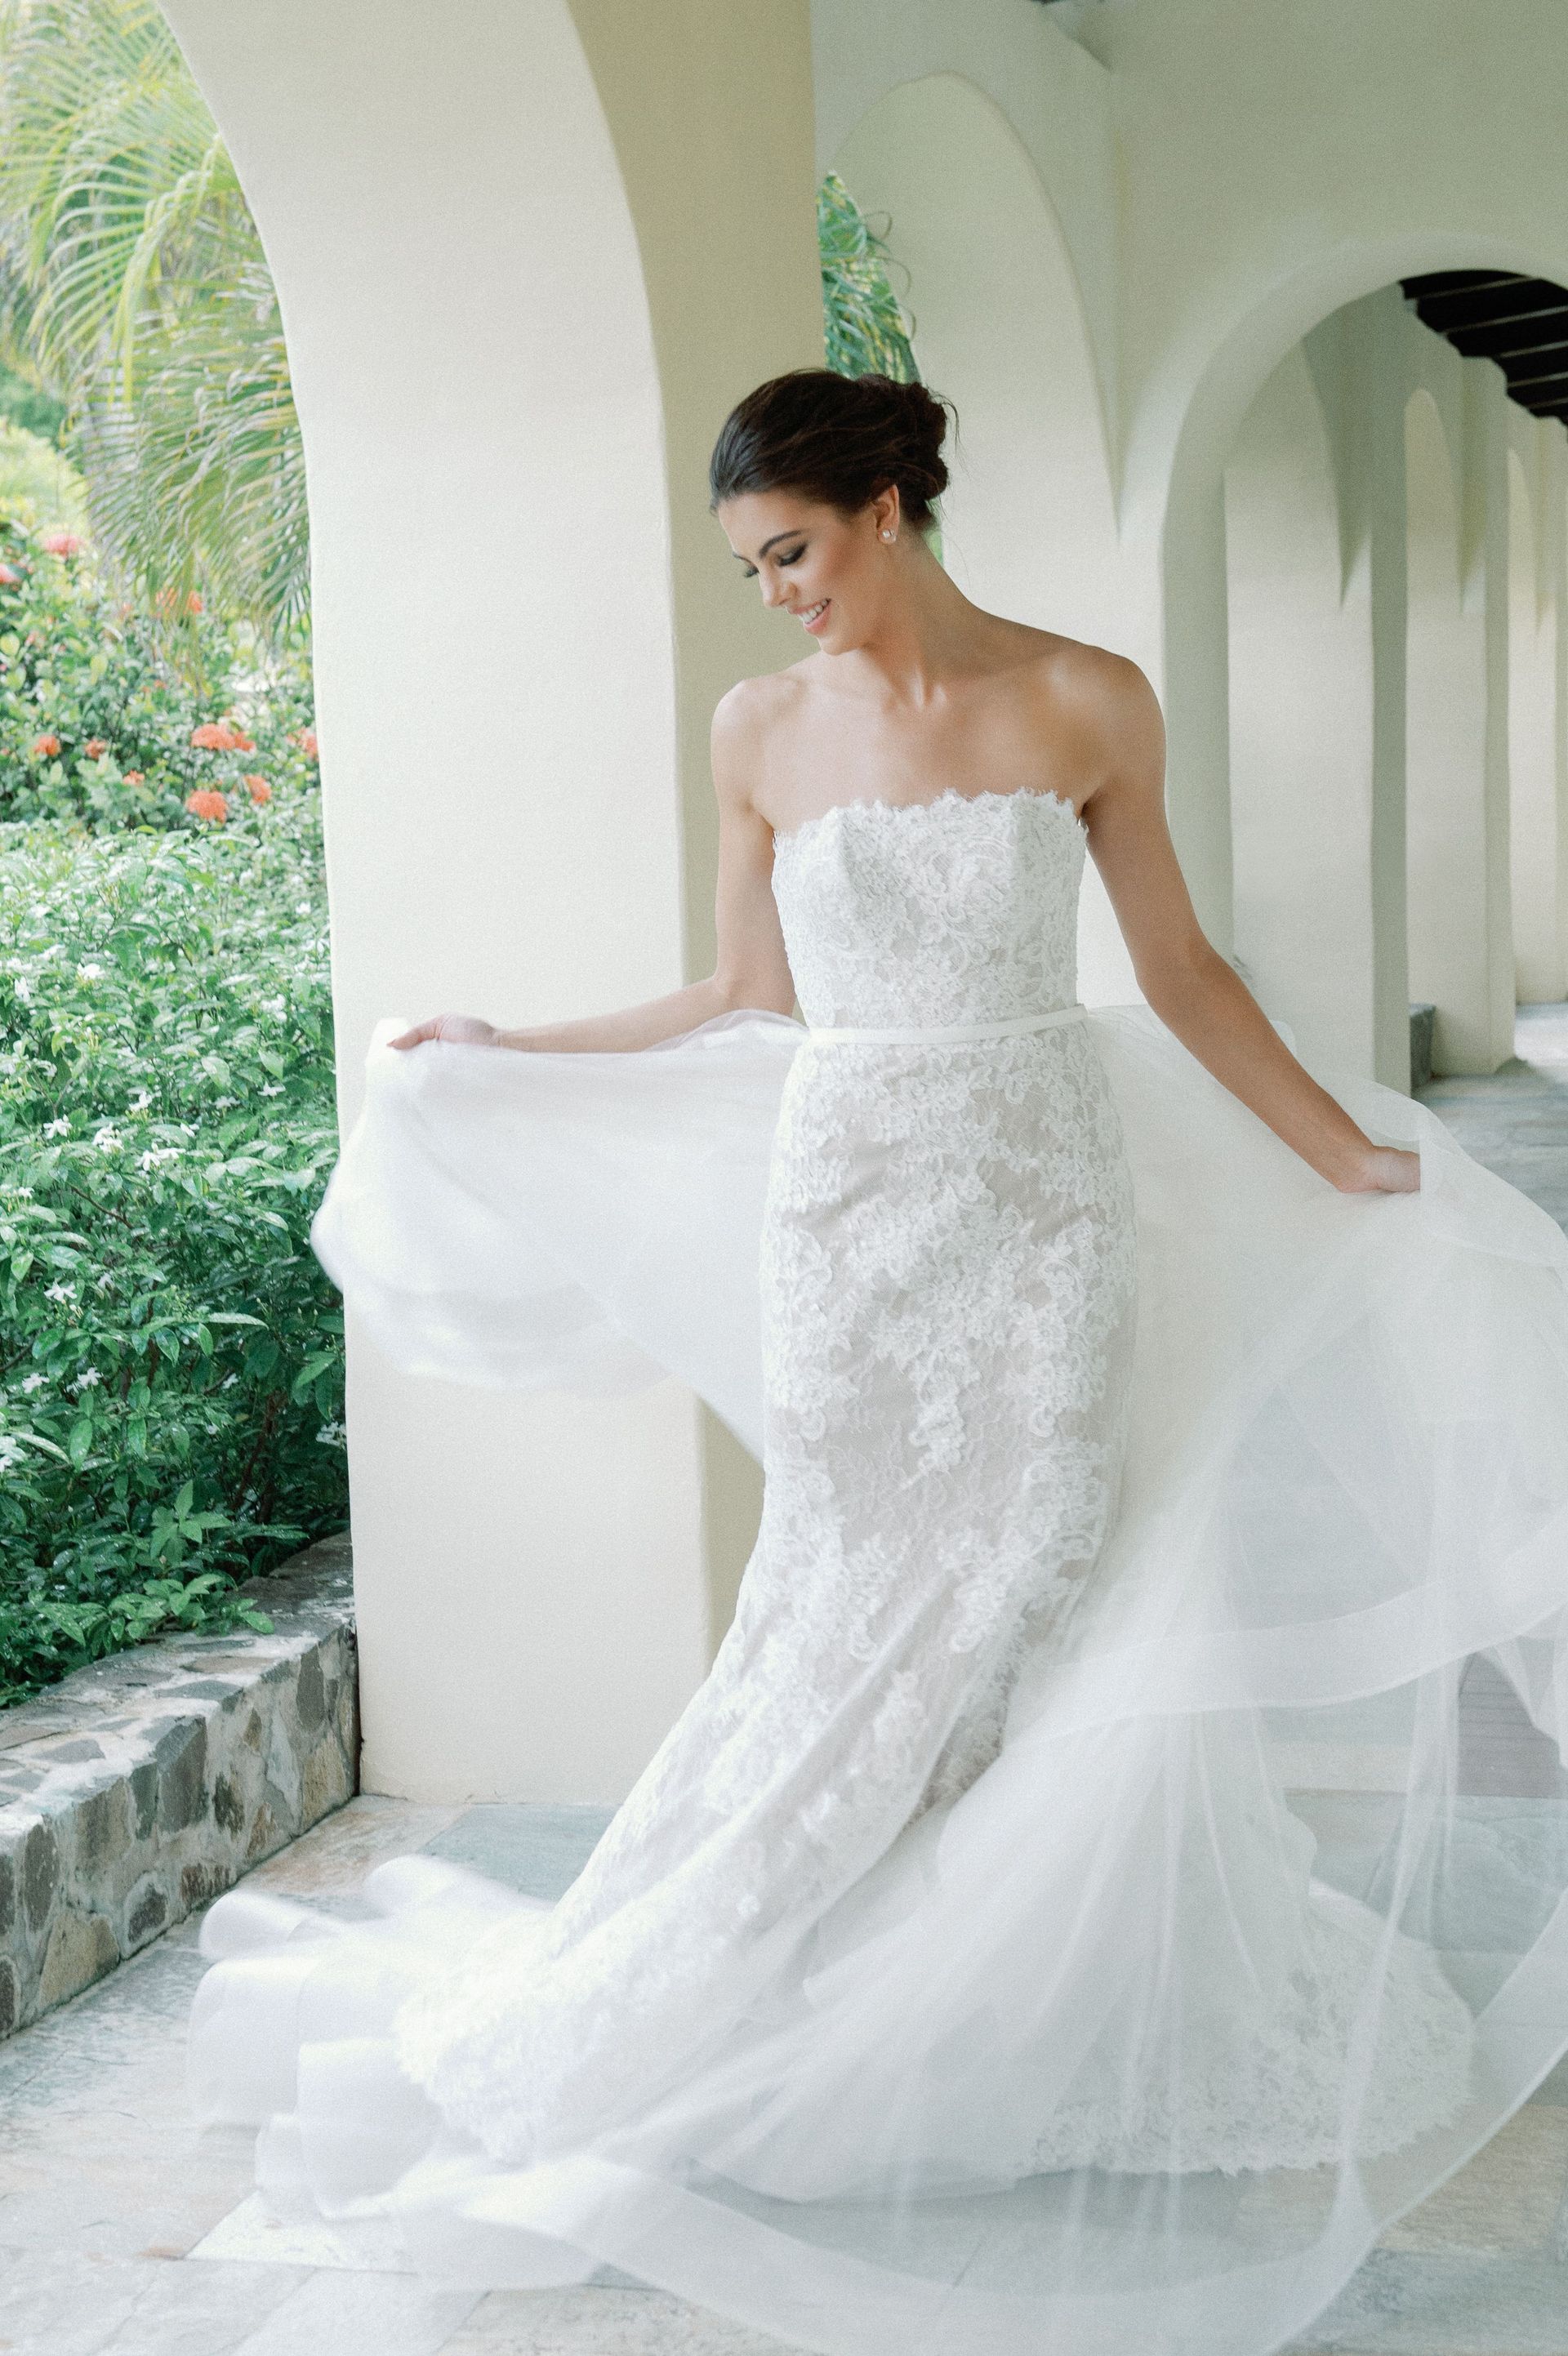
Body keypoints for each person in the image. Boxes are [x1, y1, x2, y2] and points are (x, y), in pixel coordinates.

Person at [190, 372, 1568, 2356]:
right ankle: (771, 1967)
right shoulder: (758, 729)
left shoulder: (1086, 699)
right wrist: (514, 1048)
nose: (778, 596)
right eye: (753, 569)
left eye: (794, 553)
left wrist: (1344, 1154)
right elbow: (747, 992)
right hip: (850, 1216)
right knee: (848, 1591)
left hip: (1044, 1208)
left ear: (890, 509)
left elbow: (1180, 971)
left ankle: (1016, 1987)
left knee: (1044, 1569)